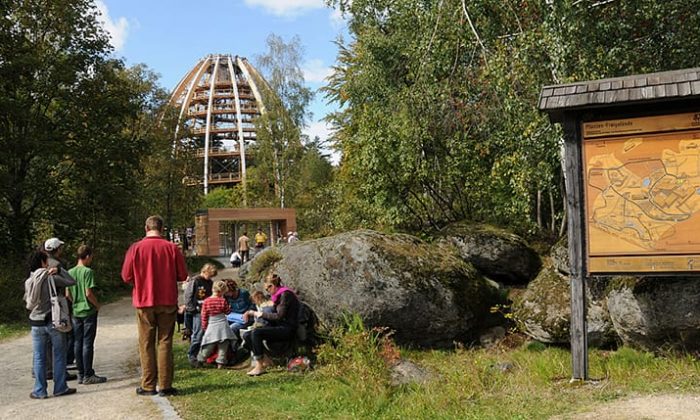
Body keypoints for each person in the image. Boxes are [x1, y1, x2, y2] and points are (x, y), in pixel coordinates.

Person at [121, 215, 188, 397]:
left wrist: (140, 280)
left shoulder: (135, 248)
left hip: (144, 301)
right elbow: (183, 275)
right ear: (162, 228)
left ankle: (149, 385)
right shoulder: (171, 248)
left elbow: (126, 276)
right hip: (167, 301)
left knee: (146, 343)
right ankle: (165, 385)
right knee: (165, 342)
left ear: (146, 228)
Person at [24, 249, 77, 399]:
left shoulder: (29, 281)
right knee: (59, 355)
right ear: (43, 262)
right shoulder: (50, 278)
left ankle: (40, 390)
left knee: (39, 357)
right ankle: (60, 387)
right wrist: (59, 270)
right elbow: (71, 281)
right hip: (53, 320)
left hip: (36, 322)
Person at [242, 273, 300, 376]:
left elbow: (279, 316)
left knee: (256, 333)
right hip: (278, 326)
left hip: (287, 328)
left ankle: (259, 366)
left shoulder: (285, 295)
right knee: (247, 335)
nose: (267, 292)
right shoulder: (278, 296)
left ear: (272, 286)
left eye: (267, 289)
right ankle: (266, 360)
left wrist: (260, 314)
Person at [67, 245, 107, 385]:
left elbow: (68, 294)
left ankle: (80, 373)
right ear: (88, 256)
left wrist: (75, 303)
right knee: (87, 343)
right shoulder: (88, 272)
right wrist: (96, 305)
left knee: (77, 342)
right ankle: (88, 374)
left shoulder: (70, 272)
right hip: (88, 311)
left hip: (76, 311)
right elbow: (88, 292)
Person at [43, 238, 77, 382]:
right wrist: (61, 271)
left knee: (46, 342)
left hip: (42, 306)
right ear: (57, 250)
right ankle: (61, 372)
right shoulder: (56, 264)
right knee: (61, 339)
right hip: (57, 305)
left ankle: (48, 369)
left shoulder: (41, 263)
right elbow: (70, 281)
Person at [196, 280, 237, 368]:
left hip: (212, 324)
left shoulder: (206, 301)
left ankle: (200, 359)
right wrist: (229, 308)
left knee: (209, 344)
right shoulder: (222, 301)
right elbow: (227, 312)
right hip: (222, 325)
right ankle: (221, 363)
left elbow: (204, 315)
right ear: (222, 291)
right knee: (223, 345)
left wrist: (204, 326)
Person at [184, 263, 217, 366]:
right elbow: (188, 296)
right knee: (198, 334)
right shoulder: (195, 281)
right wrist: (192, 309)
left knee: (204, 334)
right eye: (210, 275)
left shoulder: (210, 282)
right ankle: (192, 355)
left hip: (206, 310)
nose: (210, 277)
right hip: (196, 311)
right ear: (205, 271)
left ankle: (202, 355)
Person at [223, 279, 253, 348]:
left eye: (227, 292)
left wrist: (247, 312)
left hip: (245, 317)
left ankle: (236, 347)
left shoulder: (243, 293)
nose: (226, 294)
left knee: (232, 328)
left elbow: (252, 305)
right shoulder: (227, 297)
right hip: (233, 316)